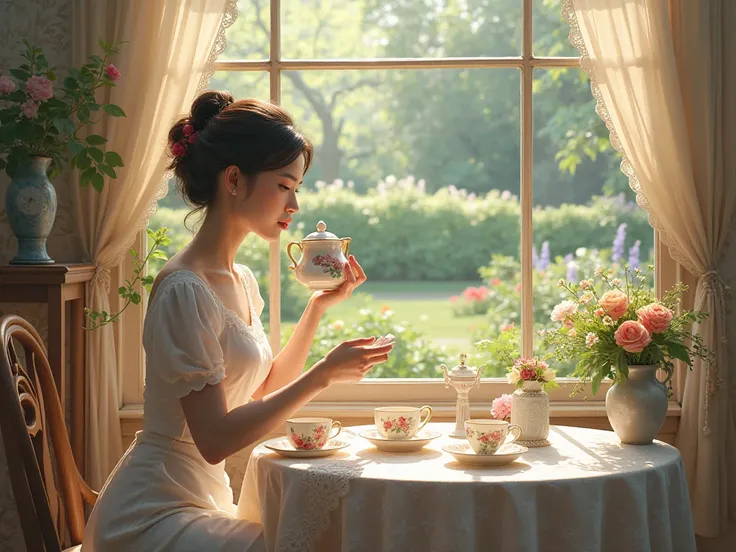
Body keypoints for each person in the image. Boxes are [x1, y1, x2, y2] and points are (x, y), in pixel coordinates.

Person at [82, 90, 394, 551]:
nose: (295, 206)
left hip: (200, 502)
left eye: (297, 189)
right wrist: (322, 375)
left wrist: (317, 308)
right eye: (284, 185)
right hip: (149, 518)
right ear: (233, 179)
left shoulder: (241, 279)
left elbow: (261, 387)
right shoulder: (184, 289)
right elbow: (215, 439)